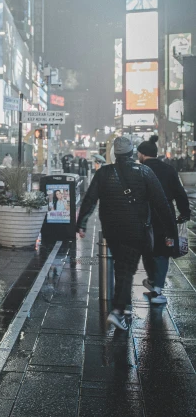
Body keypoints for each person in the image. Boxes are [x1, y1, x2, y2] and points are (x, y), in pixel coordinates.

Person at [76, 135, 176, 331]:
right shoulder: (144, 171)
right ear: (132, 153)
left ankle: (125, 308)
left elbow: (89, 199)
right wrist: (171, 232)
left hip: (112, 230)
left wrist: (81, 223)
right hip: (136, 229)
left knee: (123, 266)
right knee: (126, 269)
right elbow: (161, 203)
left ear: (115, 153)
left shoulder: (104, 173)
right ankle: (118, 311)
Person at [137, 135, 191, 304]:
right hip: (165, 216)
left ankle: (153, 282)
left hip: (144, 216)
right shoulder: (169, 170)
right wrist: (184, 213)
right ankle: (157, 288)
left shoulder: (139, 171)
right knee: (162, 252)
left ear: (141, 154)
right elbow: (180, 194)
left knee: (147, 250)